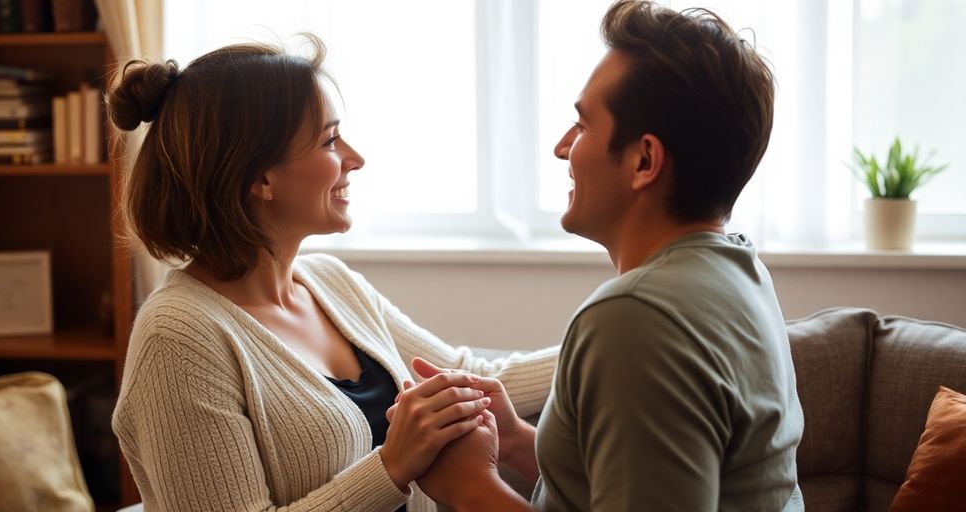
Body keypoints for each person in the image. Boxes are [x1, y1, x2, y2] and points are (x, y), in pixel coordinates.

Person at [107, 36, 558, 512]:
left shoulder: (329, 282)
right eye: (329, 140)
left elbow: (468, 374)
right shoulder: (178, 338)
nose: (355, 158)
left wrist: (613, 344)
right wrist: (391, 466)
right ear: (259, 178)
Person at [410, 1, 805, 511]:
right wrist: (513, 439)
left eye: (582, 125)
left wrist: (471, 490)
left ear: (644, 161)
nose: (561, 148)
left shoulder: (635, 319)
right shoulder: (738, 272)